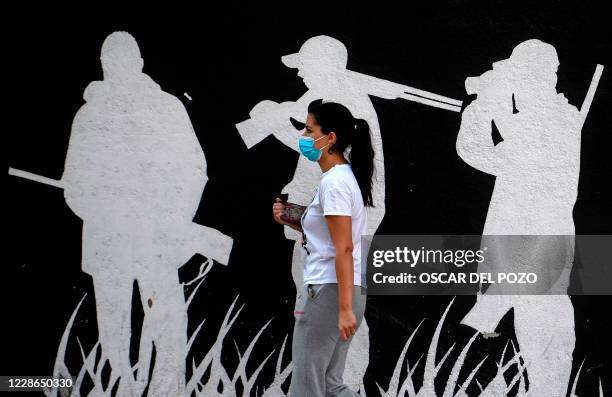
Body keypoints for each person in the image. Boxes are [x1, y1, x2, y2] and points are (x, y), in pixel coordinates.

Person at [456, 39, 581, 396]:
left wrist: (489, 100)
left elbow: (503, 142)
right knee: (537, 362)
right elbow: (479, 153)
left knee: (545, 364)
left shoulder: (556, 120)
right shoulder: (539, 121)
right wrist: (481, 108)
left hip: (540, 258)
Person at [272, 99, 373, 396]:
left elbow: (342, 248)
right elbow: (331, 235)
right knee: (330, 386)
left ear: (330, 138)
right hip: (343, 290)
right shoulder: (342, 180)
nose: (304, 137)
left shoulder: (335, 183)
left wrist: (343, 309)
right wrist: (292, 218)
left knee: (307, 386)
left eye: (309, 130)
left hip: (328, 293)